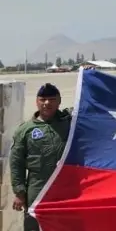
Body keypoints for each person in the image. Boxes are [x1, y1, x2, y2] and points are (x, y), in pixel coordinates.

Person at [10, 84, 73, 231]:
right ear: (37, 101)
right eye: (43, 99)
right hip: (38, 186)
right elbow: (16, 163)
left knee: (67, 224)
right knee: (34, 223)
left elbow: (88, 107)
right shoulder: (25, 130)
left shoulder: (70, 122)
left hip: (67, 187)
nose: (47, 103)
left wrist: (91, 74)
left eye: (52, 99)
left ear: (59, 101)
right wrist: (19, 193)